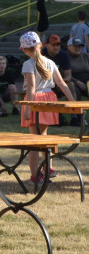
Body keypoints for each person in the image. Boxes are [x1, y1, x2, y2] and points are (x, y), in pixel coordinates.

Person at [19, 31, 76, 184]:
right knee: (43, 136)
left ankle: (35, 175)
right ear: (40, 45)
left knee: (34, 142)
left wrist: (29, 108)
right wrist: (73, 102)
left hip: (35, 101)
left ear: (24, 50)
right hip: (49, 99)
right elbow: (62, 83)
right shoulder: (50, 62)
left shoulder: (28, 64)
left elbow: (31, 87)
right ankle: (48, 168)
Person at [67, 38, 89, 123]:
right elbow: (63, 73)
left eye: (80, 46)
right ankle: (76, 118)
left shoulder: (86, 56)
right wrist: (77, 82)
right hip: (73, 82)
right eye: (75, 46)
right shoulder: (66, 58)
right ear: (69, 46)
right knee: (75, 90)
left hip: (87, 81)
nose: (78, 48)